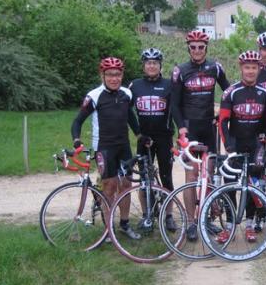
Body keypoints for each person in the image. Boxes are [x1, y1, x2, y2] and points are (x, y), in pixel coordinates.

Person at [71, 57, 142, 240]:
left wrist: (140, 135)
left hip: (123, 146)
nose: (114, 78)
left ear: (122, 75)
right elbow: (78, 121)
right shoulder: (94, 96)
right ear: (102, 75)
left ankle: (125, 224)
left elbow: (130, 117)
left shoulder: (127, 94)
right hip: (104, 148)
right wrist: (77, 140)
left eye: (117, 74)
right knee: (109, 187)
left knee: (126, 185)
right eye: (110, 75)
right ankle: (108, 229)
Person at [170, 30, 230, 241]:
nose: (197, 50)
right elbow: (174, 104)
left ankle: (204, 218)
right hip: (190, 128)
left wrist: (221, 115)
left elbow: (228, 91)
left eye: (201, 47)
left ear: (206, 48)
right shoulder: (181, 71)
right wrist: (181, 127)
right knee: (192, 176)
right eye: (193, 47)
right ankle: (190, 221)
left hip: (208, 127)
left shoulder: (215, 67)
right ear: (188, 48)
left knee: (209, 175)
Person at [218, 50, 266, 243]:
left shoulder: (265, 93)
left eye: (254, 68)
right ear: (241, 68)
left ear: (259, 69)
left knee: (252, 186)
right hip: (235, 144)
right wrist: (228, 145)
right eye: (247, 67)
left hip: (255, 145)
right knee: (230, 185)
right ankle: (229, 227)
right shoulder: (231, 92)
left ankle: (249, 225)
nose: (250, 71)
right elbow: (223, 121)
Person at [128, 47, 176, 231]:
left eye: (155, 62)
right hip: (144, 139)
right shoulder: (135, 86)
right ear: (143, 65)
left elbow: (177, 109)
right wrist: (138, 133)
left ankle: (169, 215)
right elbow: (127, 111)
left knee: (166, 177)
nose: (151, 66)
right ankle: (146, 214)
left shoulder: (168, 85)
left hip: (164, 138)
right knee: (144, 180)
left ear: (160, 65)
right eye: (148, 62)